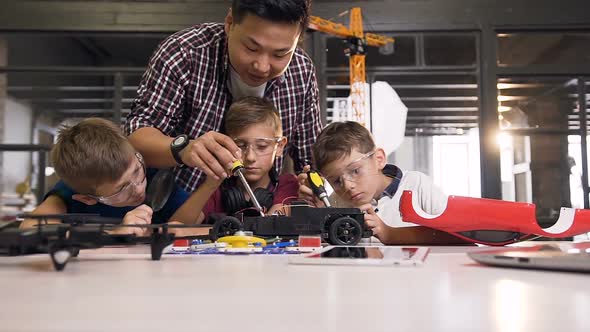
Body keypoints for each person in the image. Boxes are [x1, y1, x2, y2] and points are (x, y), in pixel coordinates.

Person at [125, 0, 322, 194]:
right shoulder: (184, 53)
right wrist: (185, 149)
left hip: (258, 207)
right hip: (178, 205)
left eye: (280, 55)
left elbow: (312, 162)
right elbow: (136, 139)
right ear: (229, 23)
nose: (262, 67)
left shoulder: (301, 71)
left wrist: (313, 186)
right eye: (251, 48)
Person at [19, 118, 202, 237]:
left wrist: (169, 230)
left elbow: (197, 218)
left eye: (137, 171)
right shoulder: (68, 193)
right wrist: (115, 234)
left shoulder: (155, 180)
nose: (138, 188)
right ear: (88, 199)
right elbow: (30, 229)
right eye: (122, 189)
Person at [298, 121, 467, 245]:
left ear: (379, 159)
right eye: (336, 181)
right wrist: (317, 214)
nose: (347, 186)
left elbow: (461, 235)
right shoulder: (334, 203)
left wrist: (389, 233)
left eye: (355, 171)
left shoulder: (417, 186)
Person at [176, 97, 299, 224]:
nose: (250, 157)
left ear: (279, 146)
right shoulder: (218, 190)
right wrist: (211, 184)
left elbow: (272, 224)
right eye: (240, 145)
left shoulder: (287, 184)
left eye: (262, 146)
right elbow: (176, 228)